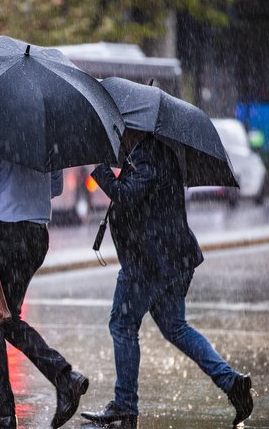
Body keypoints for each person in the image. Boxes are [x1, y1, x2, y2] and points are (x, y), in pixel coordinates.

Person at [80, 129, 254, 428]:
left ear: (135, 127)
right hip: (173, 258)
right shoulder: (155, 152)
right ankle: (232, 383)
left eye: (121, 127)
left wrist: (99, 169)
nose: (117, 132)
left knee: (122, 325)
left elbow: (126, 195)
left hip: (150, 262)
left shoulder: (146, 156)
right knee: (175, 327)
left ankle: (125, 405)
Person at [0, 153, 89, 429]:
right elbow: (55, 188)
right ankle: (63, 378)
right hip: (35, 236)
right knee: (4, 318)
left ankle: (3, 415)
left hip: (2, 235)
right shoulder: (44, 131)